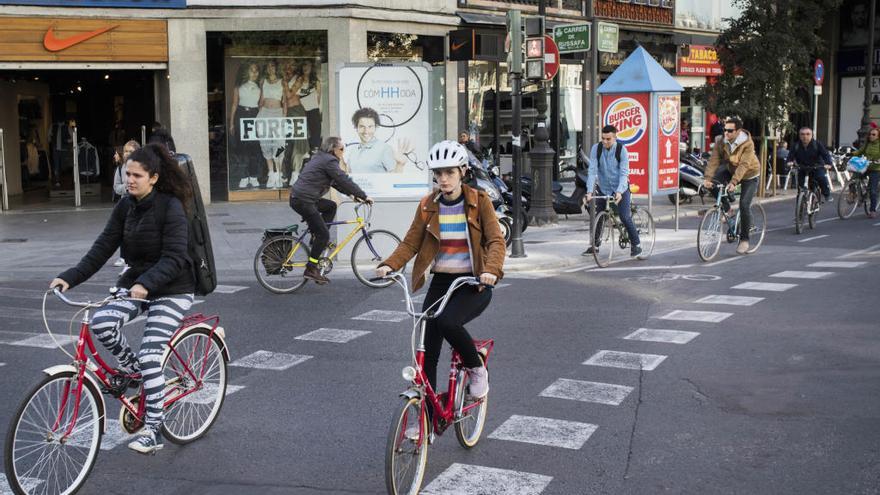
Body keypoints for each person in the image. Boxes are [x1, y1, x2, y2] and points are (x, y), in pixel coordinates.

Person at [49, 143, 195, 454]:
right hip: (136, 285)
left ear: (153, 178)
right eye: (126, 173)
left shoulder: (170, 207)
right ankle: (134, 372)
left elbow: (175, 257)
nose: (129, 180)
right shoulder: (125, 206)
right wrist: (69, 277)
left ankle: (154, 429)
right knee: (102, 322)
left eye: (136, 175)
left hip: (173, 288)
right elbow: (102, 248)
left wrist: (145, 283)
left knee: (151, 356)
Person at [375, 140, 504, 412]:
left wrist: (490, 271)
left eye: (450, 172)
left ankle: (476, 368)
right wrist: (389, 264)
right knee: (426, 351)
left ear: (463, 172)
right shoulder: (428, 205)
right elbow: (411, 243)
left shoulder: (479, 202)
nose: (443, 179)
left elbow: (495, 241)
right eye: (438, 173)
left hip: (473, 282)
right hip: (442, 281)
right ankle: (427, 420)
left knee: (448, 322)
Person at [290, 136, 373, 284]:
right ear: (333, 149)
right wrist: (364, 195)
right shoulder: (329, 160)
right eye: (341, 149)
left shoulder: (321, 157)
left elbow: (335, 182)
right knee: (324, 235)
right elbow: (343, 179)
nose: (343, 152)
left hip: (301, 198)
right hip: (304, 200)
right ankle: (311, 268)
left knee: (331, 206)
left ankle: (317, 236)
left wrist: (352, 194)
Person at [703, 117, 761, 255]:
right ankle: (728, 210)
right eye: (724, 130)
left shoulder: (747, 143)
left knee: (744, 204)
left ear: (738, 131)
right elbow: (714, 160)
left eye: (730, 131)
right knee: (713, 184)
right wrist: (708, 179)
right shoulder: (721, 142)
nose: (726, 133)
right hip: (730, 169)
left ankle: (744, 240)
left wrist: (733, 182)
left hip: (749, 174)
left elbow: (744, 165)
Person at [583, 125, 642, 258]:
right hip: (604, 187)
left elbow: (624, 173)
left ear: (615, 137)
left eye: (608, 139)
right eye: (603, 138)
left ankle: (636, 244)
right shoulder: (596, 149)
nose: (605, 142)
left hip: (621, 188)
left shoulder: (621, 150)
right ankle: (595, 246)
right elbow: (592, 171)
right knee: (599, 215)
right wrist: (589, 192)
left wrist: (620, 191)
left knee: (624, 216)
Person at [344, 107, 412, 174]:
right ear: (356, 127)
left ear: (375, 127)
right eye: (362, 126)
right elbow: (349, 176)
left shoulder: (385, 149)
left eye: (370, 127)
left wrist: (400, 164)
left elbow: (394, 179)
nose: (366, 131)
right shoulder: (353, 151)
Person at [228, 61, 263, 189]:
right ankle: (244, 177)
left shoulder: (260, 85)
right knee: (242, 147)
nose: (254, 73)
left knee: (254, 147)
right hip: (241, 114)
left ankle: (253, 176)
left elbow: (261, 104)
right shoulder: (239, 86)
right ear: (246, 72)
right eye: (251, 70)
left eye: (256, 70)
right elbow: (234, 104)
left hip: (255, 114)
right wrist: (232, 123)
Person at [258, 59, 288, 189]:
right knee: (265, 143)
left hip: (278, 113)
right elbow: (261, 100)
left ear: (276, 68)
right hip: (264, 113)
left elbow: (285, 101)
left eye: (273, 66)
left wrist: (284, 117)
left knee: (279, 143)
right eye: (268, 66)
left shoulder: (282, 81)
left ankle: (279, 173)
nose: (271, 68)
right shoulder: (263, 81)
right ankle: (271, 174)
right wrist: (258, 116)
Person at [282, 60, 311, 186]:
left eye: (293, 65)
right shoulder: (284, 79)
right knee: (288, 143)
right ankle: (286, 173)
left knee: (299, 142)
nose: (290, 67)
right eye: (288, 64)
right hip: (287, 112)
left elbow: (289, 95)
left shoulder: (298, 79)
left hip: (297, 111)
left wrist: (284, 83)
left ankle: (296, 173)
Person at [787, 126, 833, 203]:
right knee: (800, 187)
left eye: (808, 134)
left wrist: (828, 164)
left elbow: (825, 155)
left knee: (821, 178)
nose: (805, 136)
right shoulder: (796, 145)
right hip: (803, 167)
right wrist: (789, 162)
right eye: (802, 134)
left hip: (816, 167)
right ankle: (800, 208)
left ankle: (826, 194)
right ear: (799, 136)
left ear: (812, 135)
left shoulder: (817, 144)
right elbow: (790, 156)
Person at [850, 126, 880, 218]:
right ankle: (854, 195)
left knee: (873, 191)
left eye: (873, 134)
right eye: (870, 134)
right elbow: (860, 151)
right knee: (853, 179)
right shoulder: (867, 143)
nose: (871, 136)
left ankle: (872, 210)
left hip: (876, 169)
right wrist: (851, 154)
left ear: (878, 136)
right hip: (865, 166)